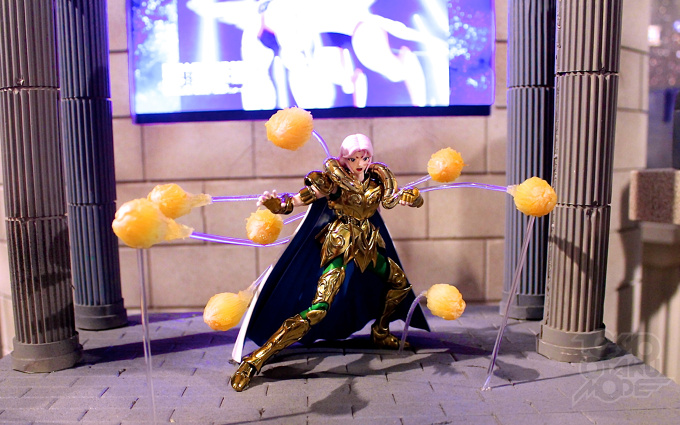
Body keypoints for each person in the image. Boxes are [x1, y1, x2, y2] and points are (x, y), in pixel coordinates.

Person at [231, 133, 426, 391]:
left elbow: (397, 199)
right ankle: (256, 359)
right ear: (344, 159)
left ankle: (380, 331)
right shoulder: (333, 181)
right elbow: (298, 199)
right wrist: (276, 204)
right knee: (319, 308)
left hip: (367, 246)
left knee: (399, 283)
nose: (360, 163)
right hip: (339, 246)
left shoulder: (378, 180)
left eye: (365, 157)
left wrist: (414, 198)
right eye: (354, 159)